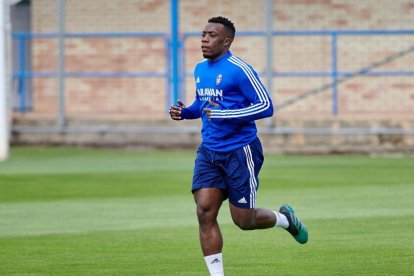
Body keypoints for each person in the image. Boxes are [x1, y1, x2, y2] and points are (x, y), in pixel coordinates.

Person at [169, 16, 308, 276]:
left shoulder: (239, 69)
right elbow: (204, 105)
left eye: (211, 35)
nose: (204, 39)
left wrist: (227, 115)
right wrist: (186, 112)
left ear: (226, 41)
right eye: (203, 34)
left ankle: (285, 219)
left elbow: (266, 106)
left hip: (240, 151)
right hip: (209, 151)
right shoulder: (200, 69)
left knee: (244, 221)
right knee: (204, 212)